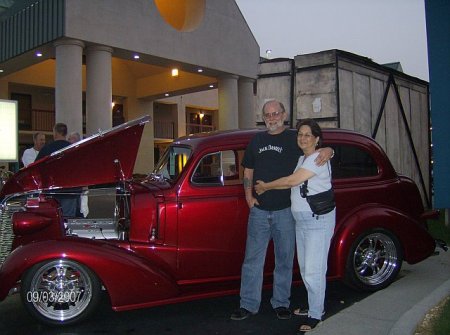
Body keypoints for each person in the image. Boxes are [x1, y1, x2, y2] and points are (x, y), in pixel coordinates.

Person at [230, 100, 333, 322]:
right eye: (268, 114)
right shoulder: (257, 140)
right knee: (252, 260)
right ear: (263, 117)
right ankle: (248, 304)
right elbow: (248, 169)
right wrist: (249, 197)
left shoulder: (295, 138)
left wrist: (328, 148)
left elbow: (313, 148)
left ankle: (281, 303)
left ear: (284, 115)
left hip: (287, 211)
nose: (272, 117)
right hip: (259, 211)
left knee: (285, 260)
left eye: (276, 113)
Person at [254, 119, 336, 333]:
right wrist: (330, 149)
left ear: (317, 139)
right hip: (302, 221)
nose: (303, 138)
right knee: (307, 268)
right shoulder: (303, 157)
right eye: (300, 134)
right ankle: (313, 306)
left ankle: (316, 314)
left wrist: (265, 187)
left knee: (314, 270)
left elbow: (292, 181)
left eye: (308, 134)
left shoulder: (317, 158)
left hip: (317, 220)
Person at [35, 123, 79, 217]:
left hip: (51, 190)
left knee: (52, 219)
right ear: (65, 133)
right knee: (68, 219)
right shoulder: (74, 149)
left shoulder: (46, 149)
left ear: (55, 133)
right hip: (70, 190)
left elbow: (36, 168)